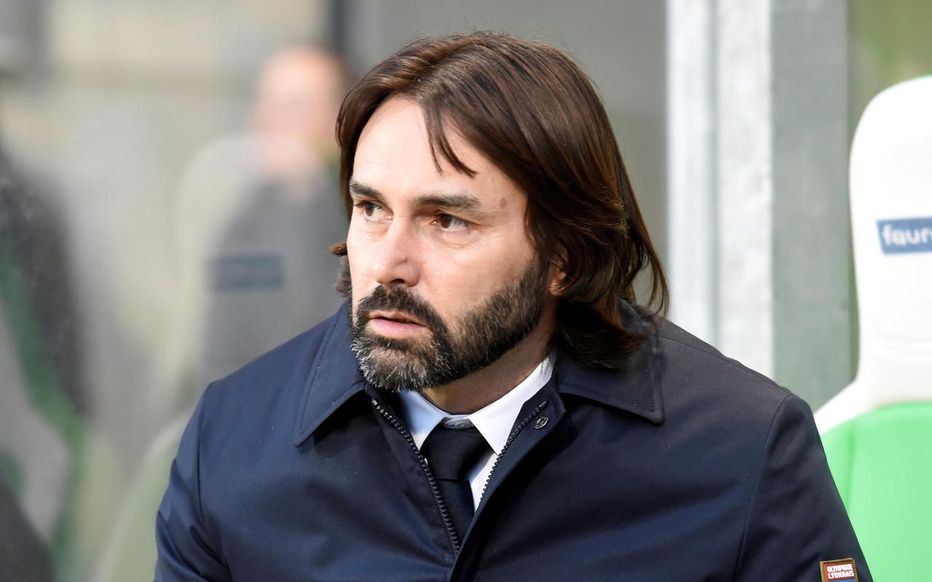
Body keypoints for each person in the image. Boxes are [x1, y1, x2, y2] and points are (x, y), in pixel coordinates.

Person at [156, 32, 871, 581]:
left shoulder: (742, 450)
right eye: (371, 208)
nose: (389, 263)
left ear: (565, 258)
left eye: (446, 220)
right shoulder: (233, 443)